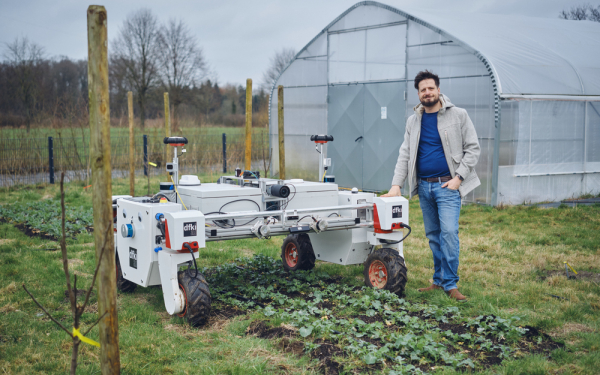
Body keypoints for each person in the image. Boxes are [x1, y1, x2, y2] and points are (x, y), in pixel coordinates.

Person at [382, 70, 480, 301]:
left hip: (448, 187)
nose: (427, 93)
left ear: (438, 90)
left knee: (448, 234)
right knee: (434, 235)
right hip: (424, 188)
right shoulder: (413, 121)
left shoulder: (458, 115)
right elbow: (405, 154)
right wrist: (397, 184)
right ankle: (438, 281)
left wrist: (459, 179)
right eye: (422, 90)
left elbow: (473, 148)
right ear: (418, 94)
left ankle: (451, 284)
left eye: (430, 88)